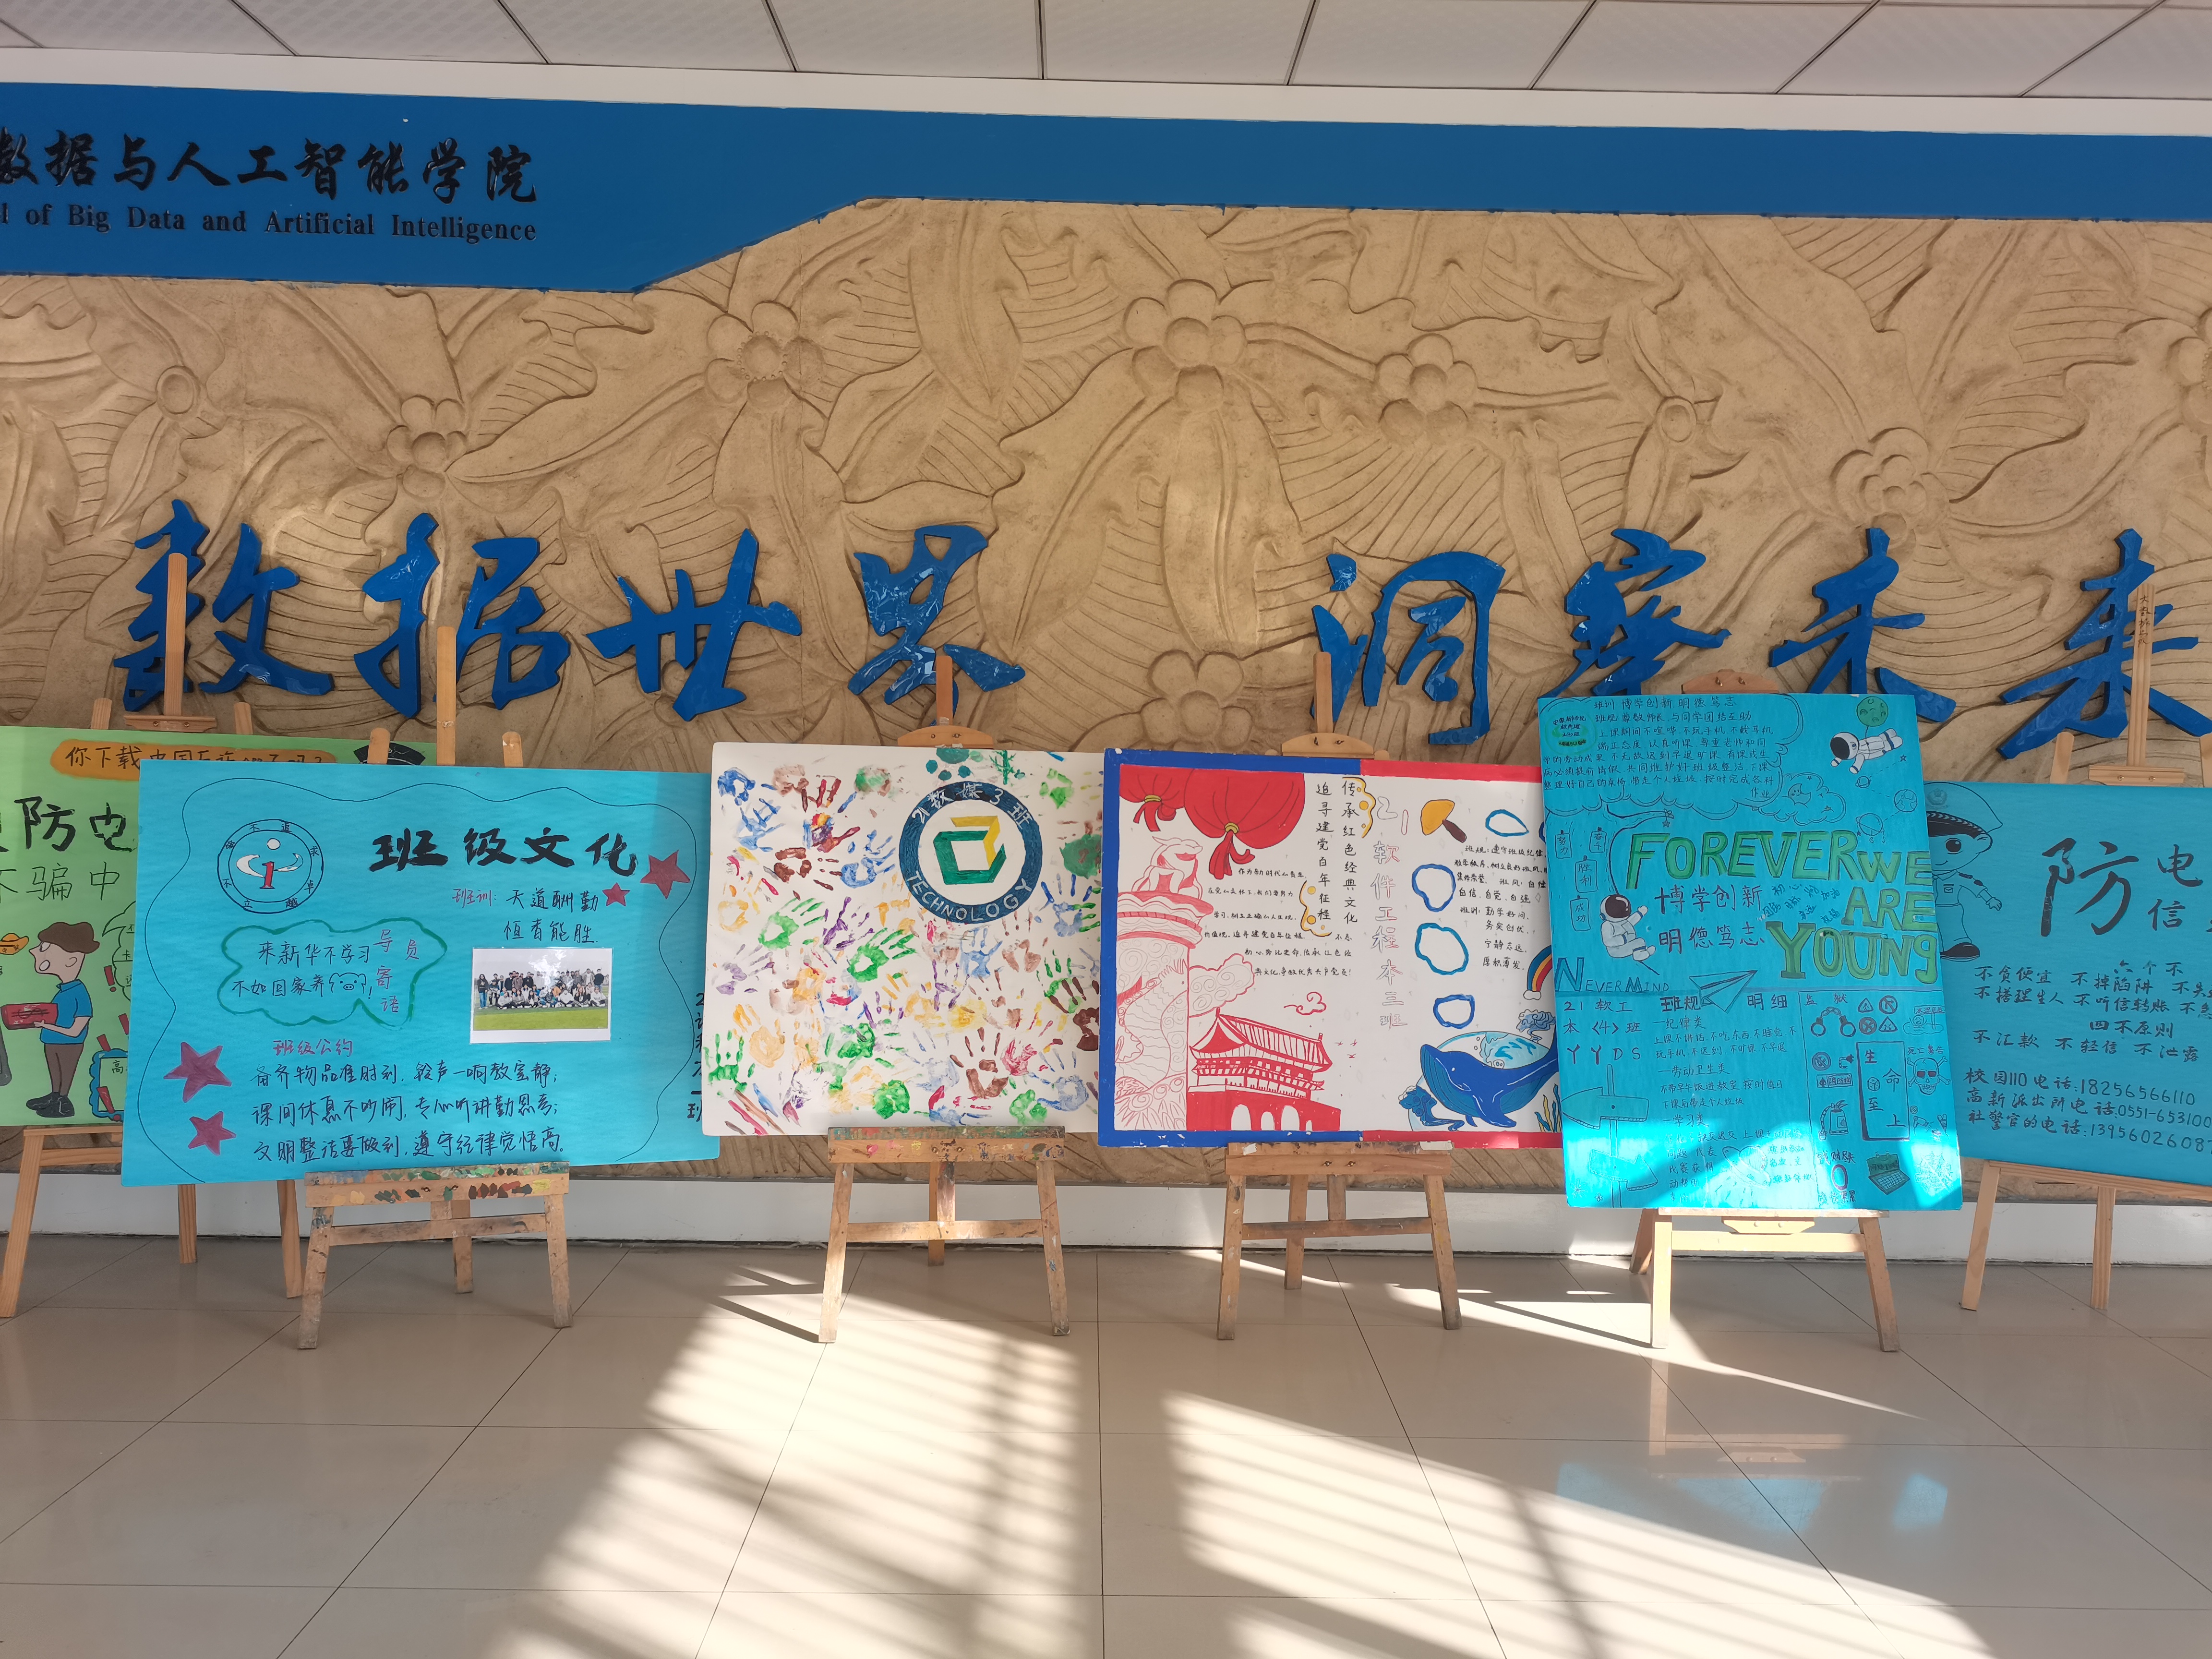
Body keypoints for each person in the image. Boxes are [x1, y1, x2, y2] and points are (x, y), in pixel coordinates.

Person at [28, 921, 97, 1119]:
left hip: (69, 1044)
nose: (34, 951)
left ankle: (63, 1105)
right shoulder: (64, 991)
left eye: (44, 948)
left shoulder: (79, 993)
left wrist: (47, 1025)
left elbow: (76, 1031)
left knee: (65, 1075)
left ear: (71, 960)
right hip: (51, 1041)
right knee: (55, 1074)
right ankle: (54, 1097)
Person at [1925, 783, 2002, 961]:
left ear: (1981, 843)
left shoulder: (1958, 877)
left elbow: (1974, 886)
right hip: (1920, 909)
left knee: (1953, 928)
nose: (1937, 856)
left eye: (1953, 845)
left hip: (1951, 908)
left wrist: (1990, 899)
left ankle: (1958, 946)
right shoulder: (1917, 875)